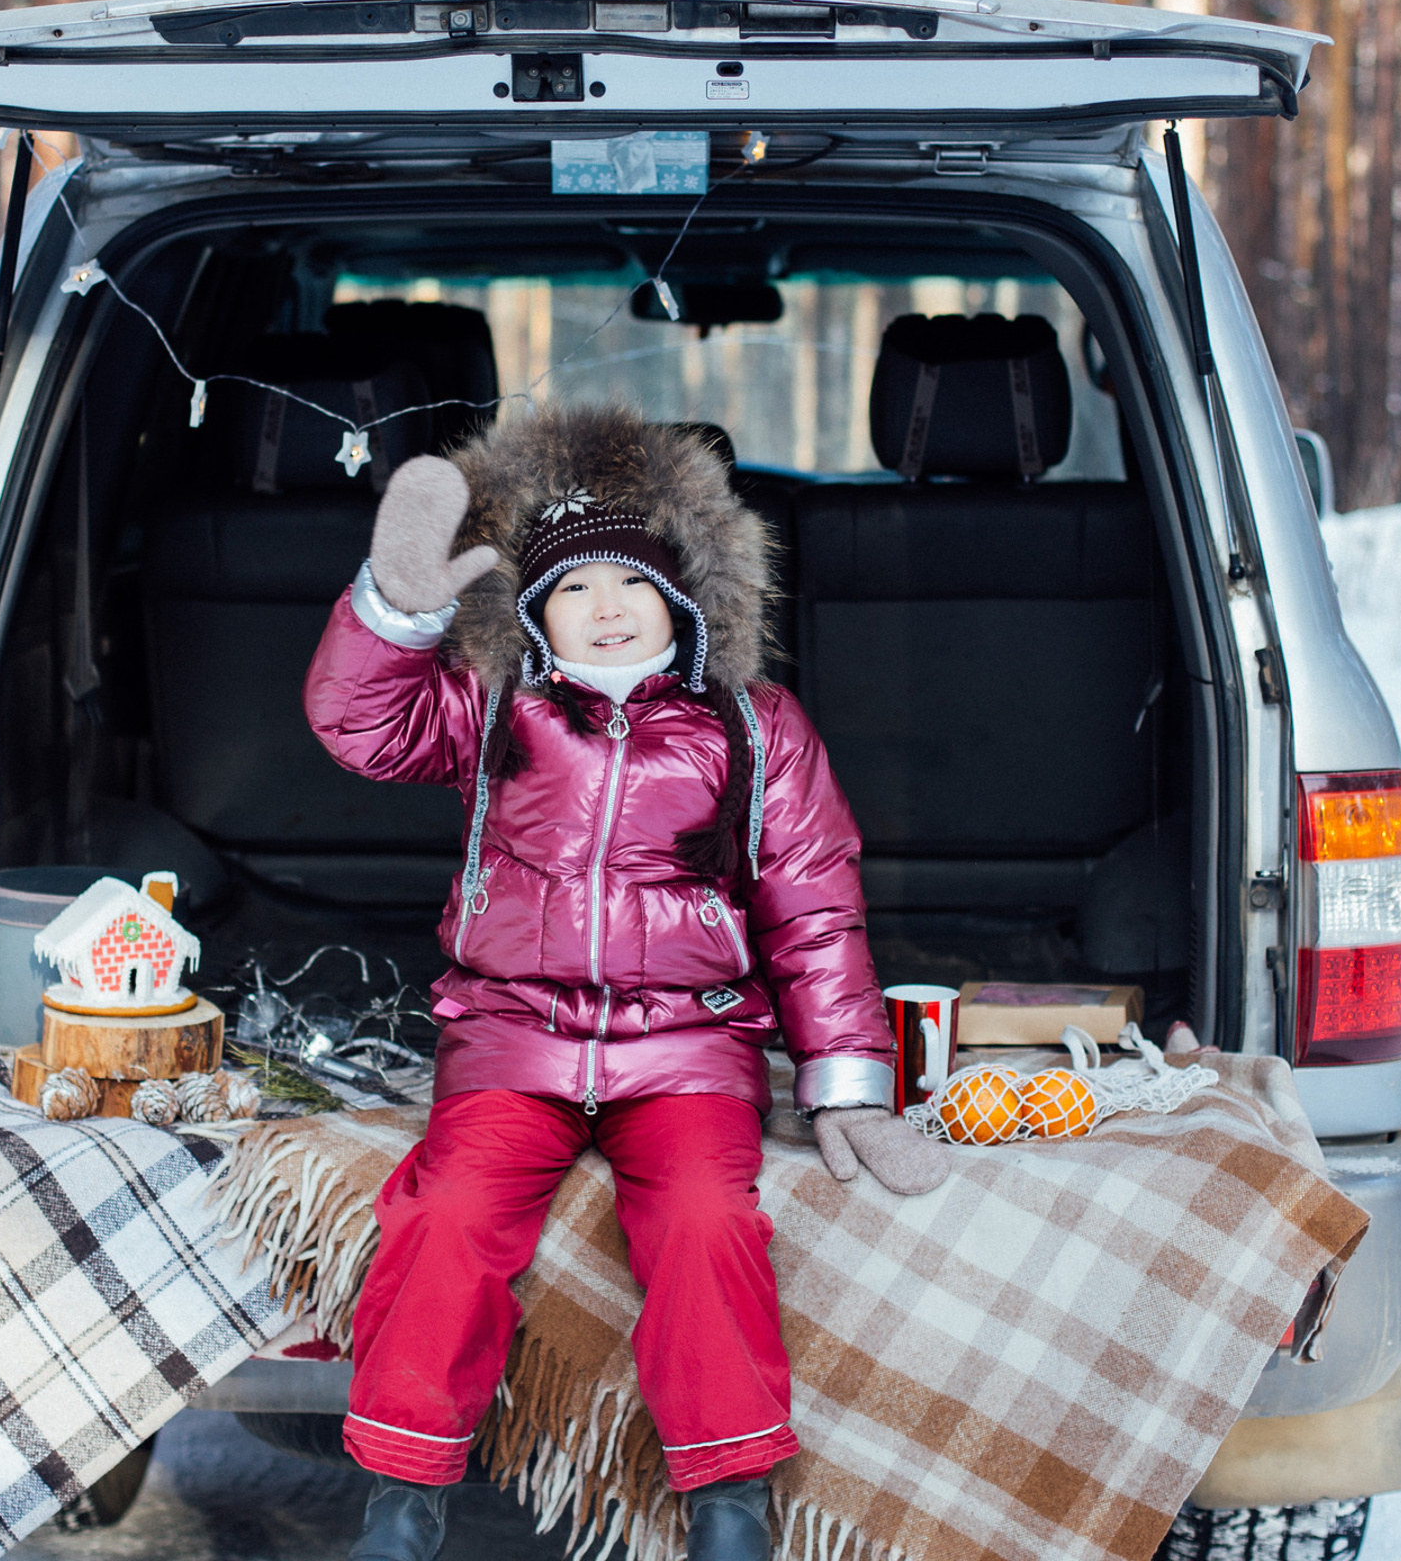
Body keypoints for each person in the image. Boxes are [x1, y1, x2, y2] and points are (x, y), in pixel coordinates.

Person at [303, 404, 948, 1561]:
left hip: (687, 1049)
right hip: (512, 1037)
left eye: (631, 588)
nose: (605, 609)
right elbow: (358, 723)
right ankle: (402, 1495)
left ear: (683, 603)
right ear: (535, 617)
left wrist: (849, 1083)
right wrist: (399, 610)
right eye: (572, 592)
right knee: (447, 1216)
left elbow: (815, 907)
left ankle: (730, 1497)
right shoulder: (501, 710)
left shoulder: (753, 730)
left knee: (708, 1222)